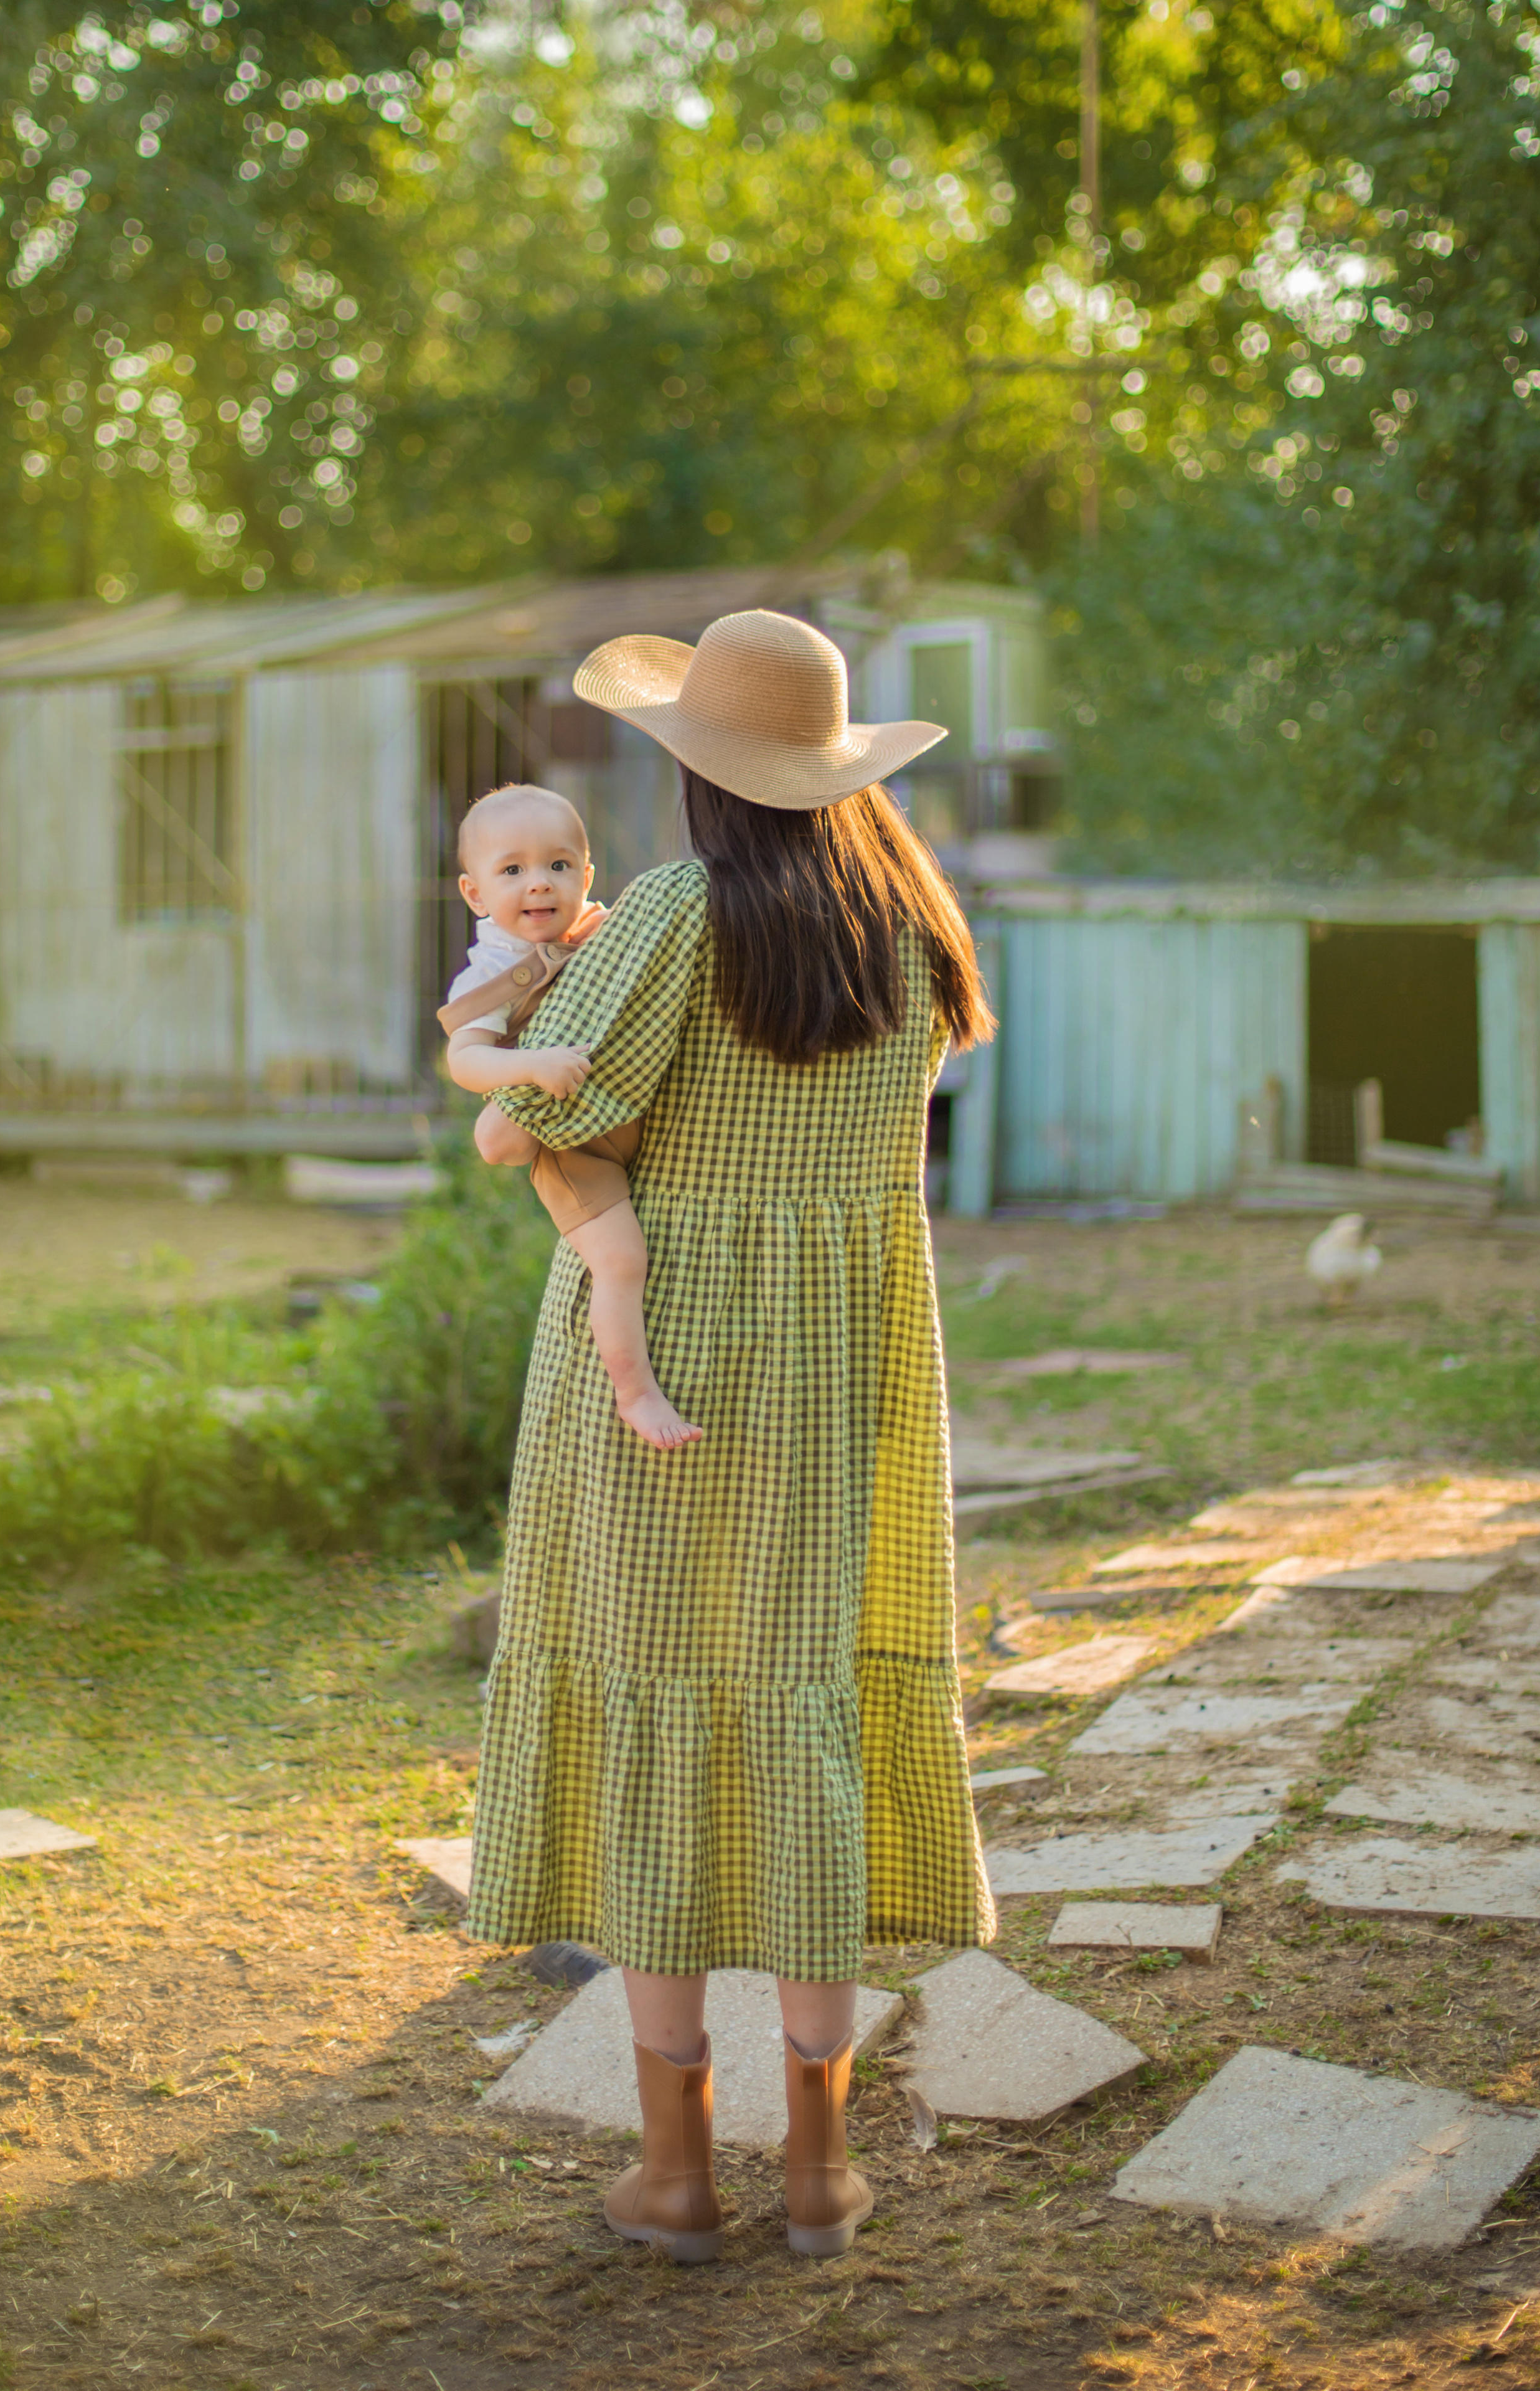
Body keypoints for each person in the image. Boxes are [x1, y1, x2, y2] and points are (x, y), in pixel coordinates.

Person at [466, 609, 997, 2265]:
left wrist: (508, 1084)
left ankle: (678, 2173)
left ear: (703, 772)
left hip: (674, 1357)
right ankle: (821, 2171)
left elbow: (546, 1116)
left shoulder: (683, 909)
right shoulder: (910, 922)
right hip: (842, 1365)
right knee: (801, 1708)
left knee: (666, 1710)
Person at [441, 783, 700, 1451]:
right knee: (622, 1261)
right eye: (512, 870)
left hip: (634, 1117)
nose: (539, 883)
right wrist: (530, 1066)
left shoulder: (606, 933)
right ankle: (635, 1394)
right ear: (475, 894)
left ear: (586, 877)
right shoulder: (492, 972)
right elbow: (465, 1061)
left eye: (558, 865)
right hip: (570, 1151)